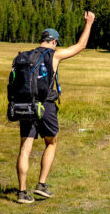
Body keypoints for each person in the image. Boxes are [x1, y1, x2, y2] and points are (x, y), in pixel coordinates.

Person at [16, 11, 95, 204]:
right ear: (54, 42)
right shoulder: (53, 55)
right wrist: (89, 23)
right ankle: (41, 185)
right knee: (51, 142)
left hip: (25, 106)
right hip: (46, 105)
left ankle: (21, 192)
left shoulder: (25, 56)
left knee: (25, 148)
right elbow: (81, 46)